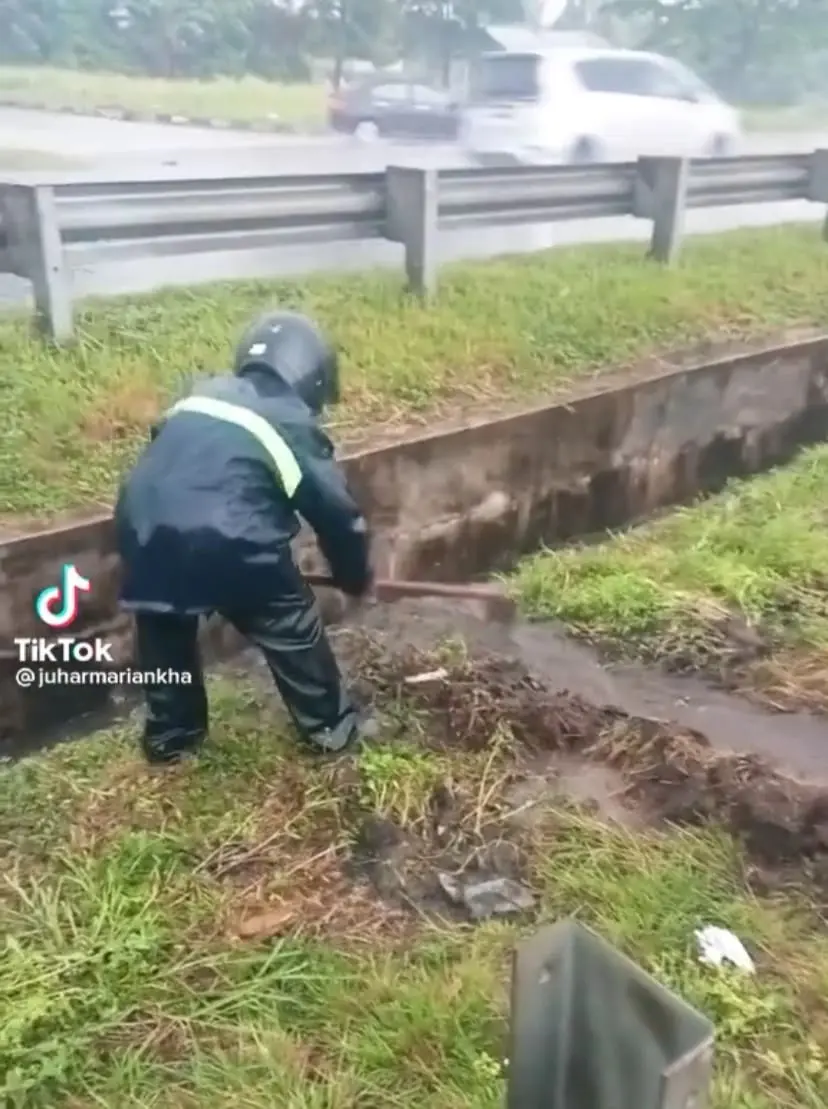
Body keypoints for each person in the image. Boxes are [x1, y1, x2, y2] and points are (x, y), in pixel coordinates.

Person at [115, 310, 373, 764]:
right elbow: (335, 513)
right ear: (311, 374)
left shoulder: (199, 395)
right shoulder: (289, 421)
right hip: (231, 540)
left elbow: (171, 463)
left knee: (164, 624)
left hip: (143, 525)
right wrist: (353, 574)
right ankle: (331, 731)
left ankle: (171, 738)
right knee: (289, 621)